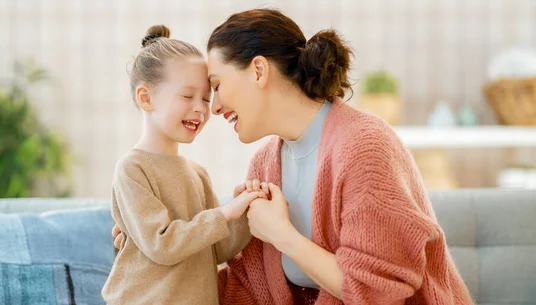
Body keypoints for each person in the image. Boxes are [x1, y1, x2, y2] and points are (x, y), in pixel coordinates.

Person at [115, 9, 474, 304]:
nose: (216, 107)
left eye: (217, 86)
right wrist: (151, 258)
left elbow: (378, 289)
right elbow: (249, 284)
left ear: (258, 71)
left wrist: (284, 236)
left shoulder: (365, 147)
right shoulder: (266, 164)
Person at [101, 25, 267, 305]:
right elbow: (162, 244)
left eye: (205, 98)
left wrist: (245, 210)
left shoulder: (197, 174)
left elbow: (217, 249)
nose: (201, 109)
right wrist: (225, 213)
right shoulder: (132, 169)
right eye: (187, 96)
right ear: (146, 97)